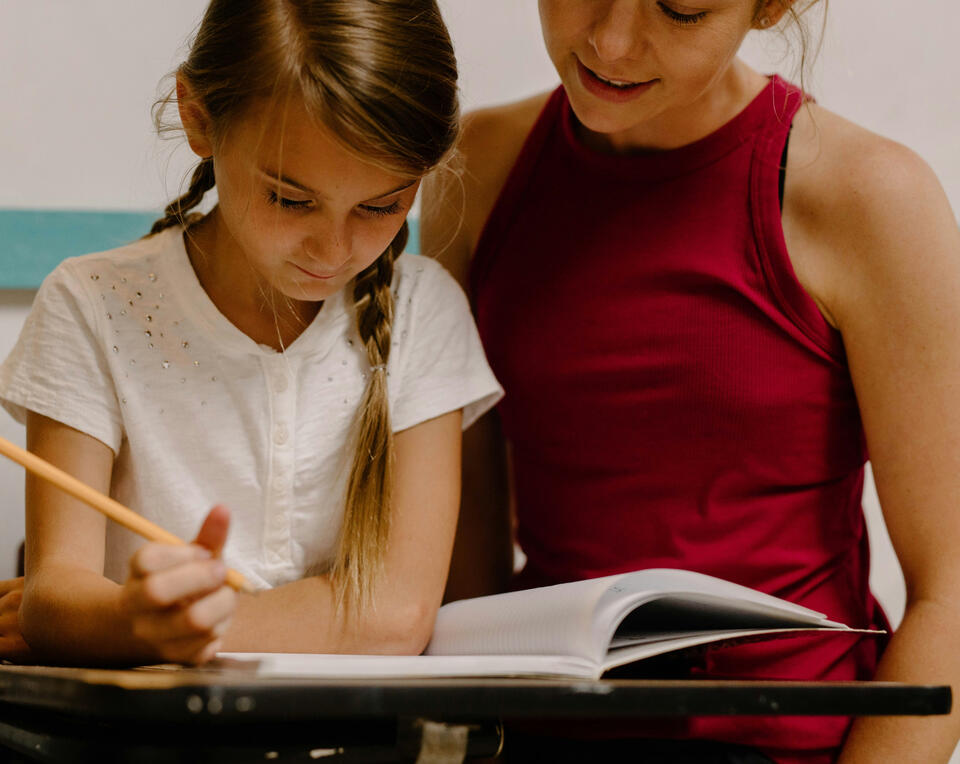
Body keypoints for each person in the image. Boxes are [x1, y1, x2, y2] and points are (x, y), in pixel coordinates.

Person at [422, 1, 960, 762]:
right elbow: (460, 581)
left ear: (768, 6)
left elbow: (954, 595)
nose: (608, 42)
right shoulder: (476, 168)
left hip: (780, 748)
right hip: (537, 735)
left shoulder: (871, 199)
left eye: (679, 9)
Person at [0, 0, 501, 667]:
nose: (332, 249)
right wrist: (112, 616)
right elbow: (55, 595)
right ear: (199, 117)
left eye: (382, 206)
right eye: (291, 199)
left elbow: (396, 616)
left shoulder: (425, 311)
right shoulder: (92, 304)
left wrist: (167, 627)